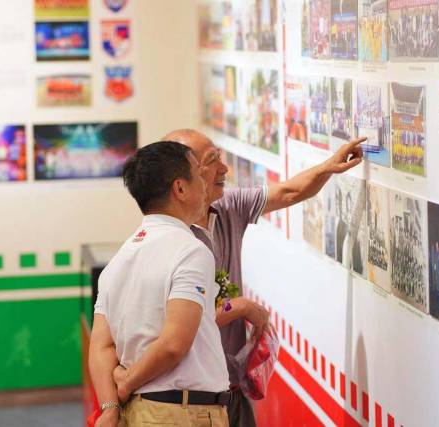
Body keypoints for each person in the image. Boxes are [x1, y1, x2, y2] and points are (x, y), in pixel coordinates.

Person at [148, 129, 365, 427]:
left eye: (220, 157)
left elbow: (289, 192)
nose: (224, 168)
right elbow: (180, 329)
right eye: (212, 161)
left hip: (231, 386)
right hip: (189, 399)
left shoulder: (227, 207)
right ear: (182, 179)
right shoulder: (166, 240)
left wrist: (329, 166)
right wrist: (239, 307)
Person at [89, 141, 230, 427]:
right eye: (198, 173)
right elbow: (174, 344)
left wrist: (110, 408)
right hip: (181, 414)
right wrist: (128, 381)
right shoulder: (190, 251)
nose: (205, 183)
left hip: (140, 413)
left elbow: (101, 346)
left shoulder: (120, 258)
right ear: (180, 188)